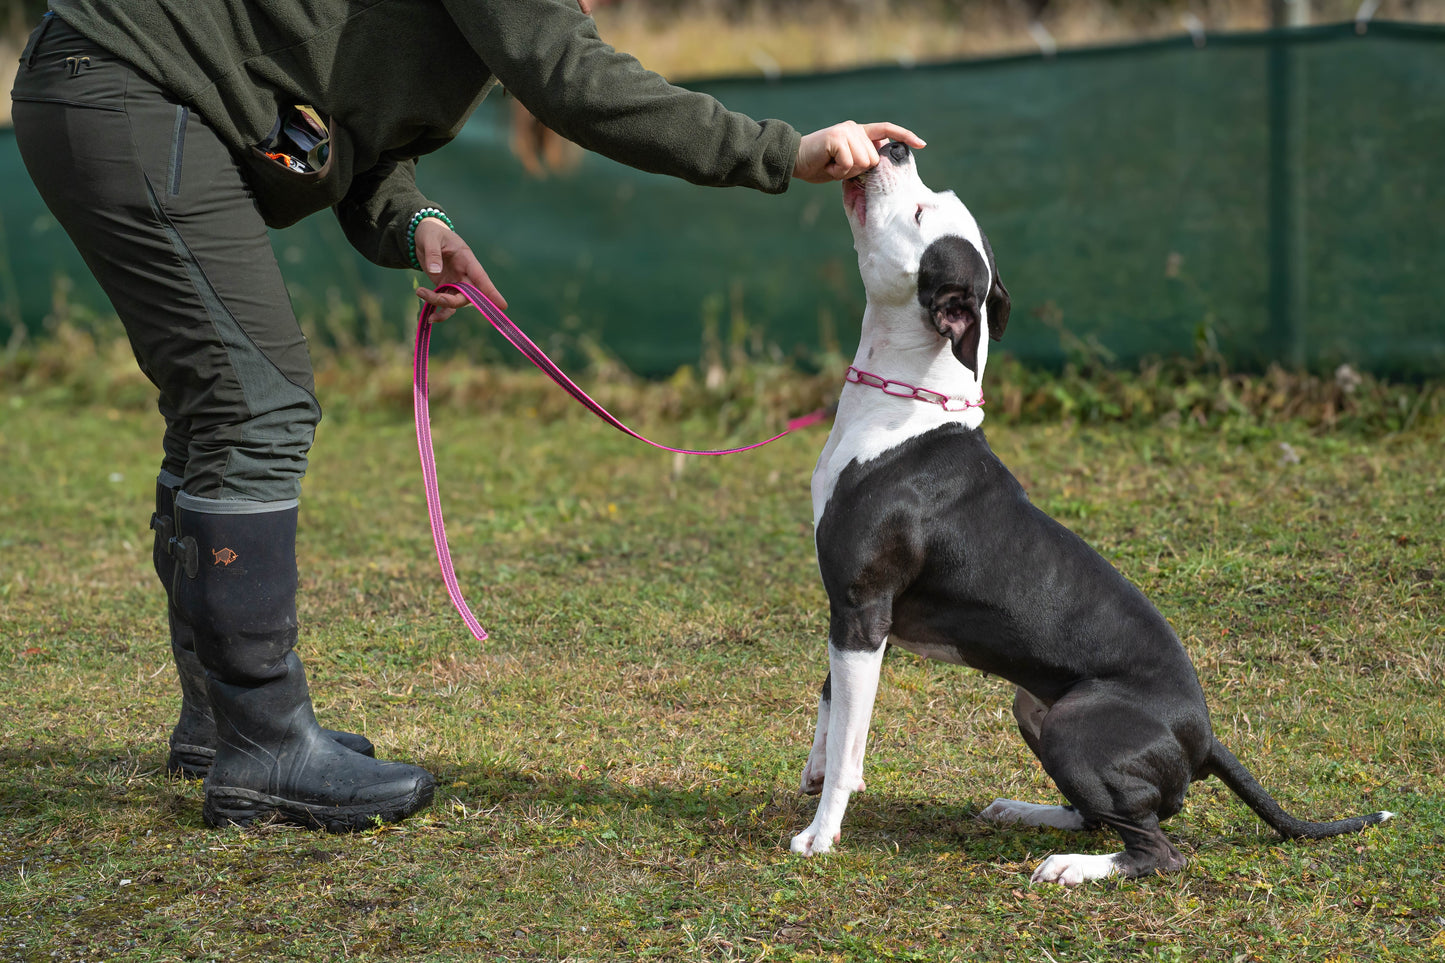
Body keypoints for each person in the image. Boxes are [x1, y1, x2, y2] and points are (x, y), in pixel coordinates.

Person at [9, 0, 924, 833]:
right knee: (254, 403)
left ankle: (225, 724)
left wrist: (413, 224)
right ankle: (265, 747)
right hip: (129, 86)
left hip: (117, 87)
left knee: (224, 406)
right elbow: (577, 82)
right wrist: (784, 151)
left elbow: (341, 119)